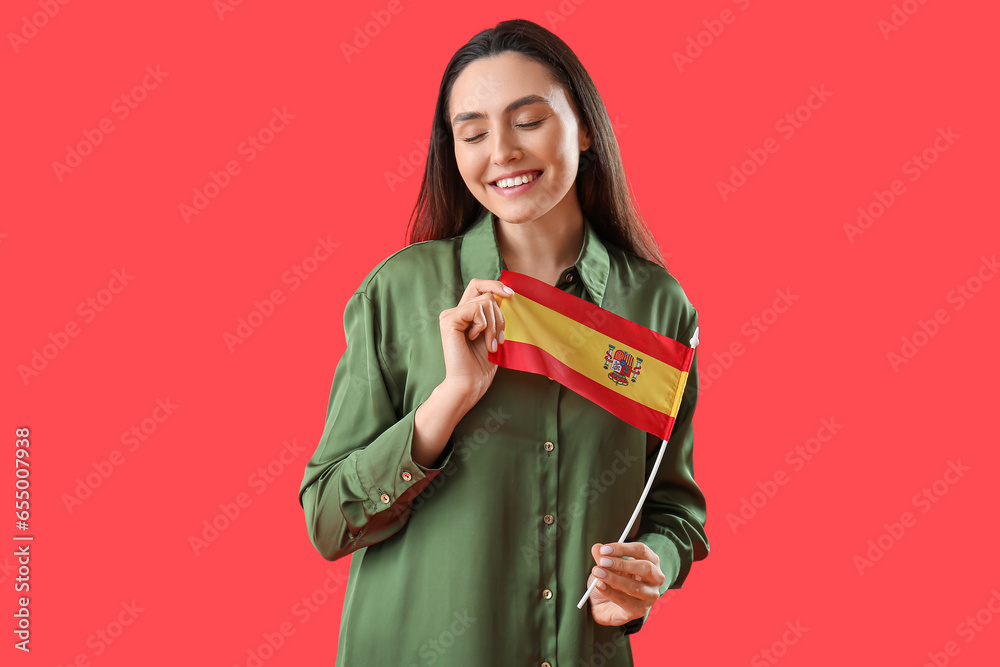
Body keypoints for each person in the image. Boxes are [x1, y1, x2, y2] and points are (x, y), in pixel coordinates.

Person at [298, 18, 709, 667]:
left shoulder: (657, 305)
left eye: (528, 120)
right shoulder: (398, 292)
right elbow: (327, 519)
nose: (502, 151)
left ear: (586, 127)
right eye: (473, 132)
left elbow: (674, 507)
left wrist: (651, 564)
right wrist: (448, 400)